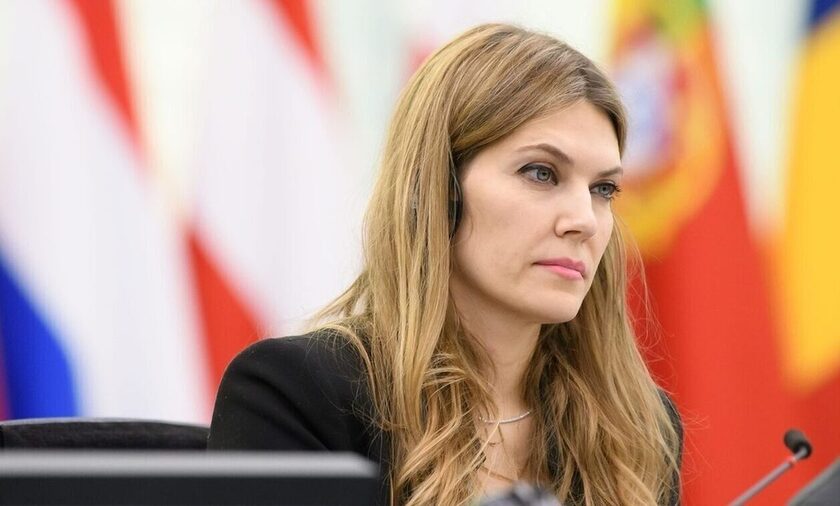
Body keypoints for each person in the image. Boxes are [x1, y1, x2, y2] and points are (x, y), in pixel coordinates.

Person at [208, 23, 682, 505]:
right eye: (541, 173)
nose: (584, 220)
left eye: (603, 189)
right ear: (440, 189)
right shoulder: (297, 395)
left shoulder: (636, 424)